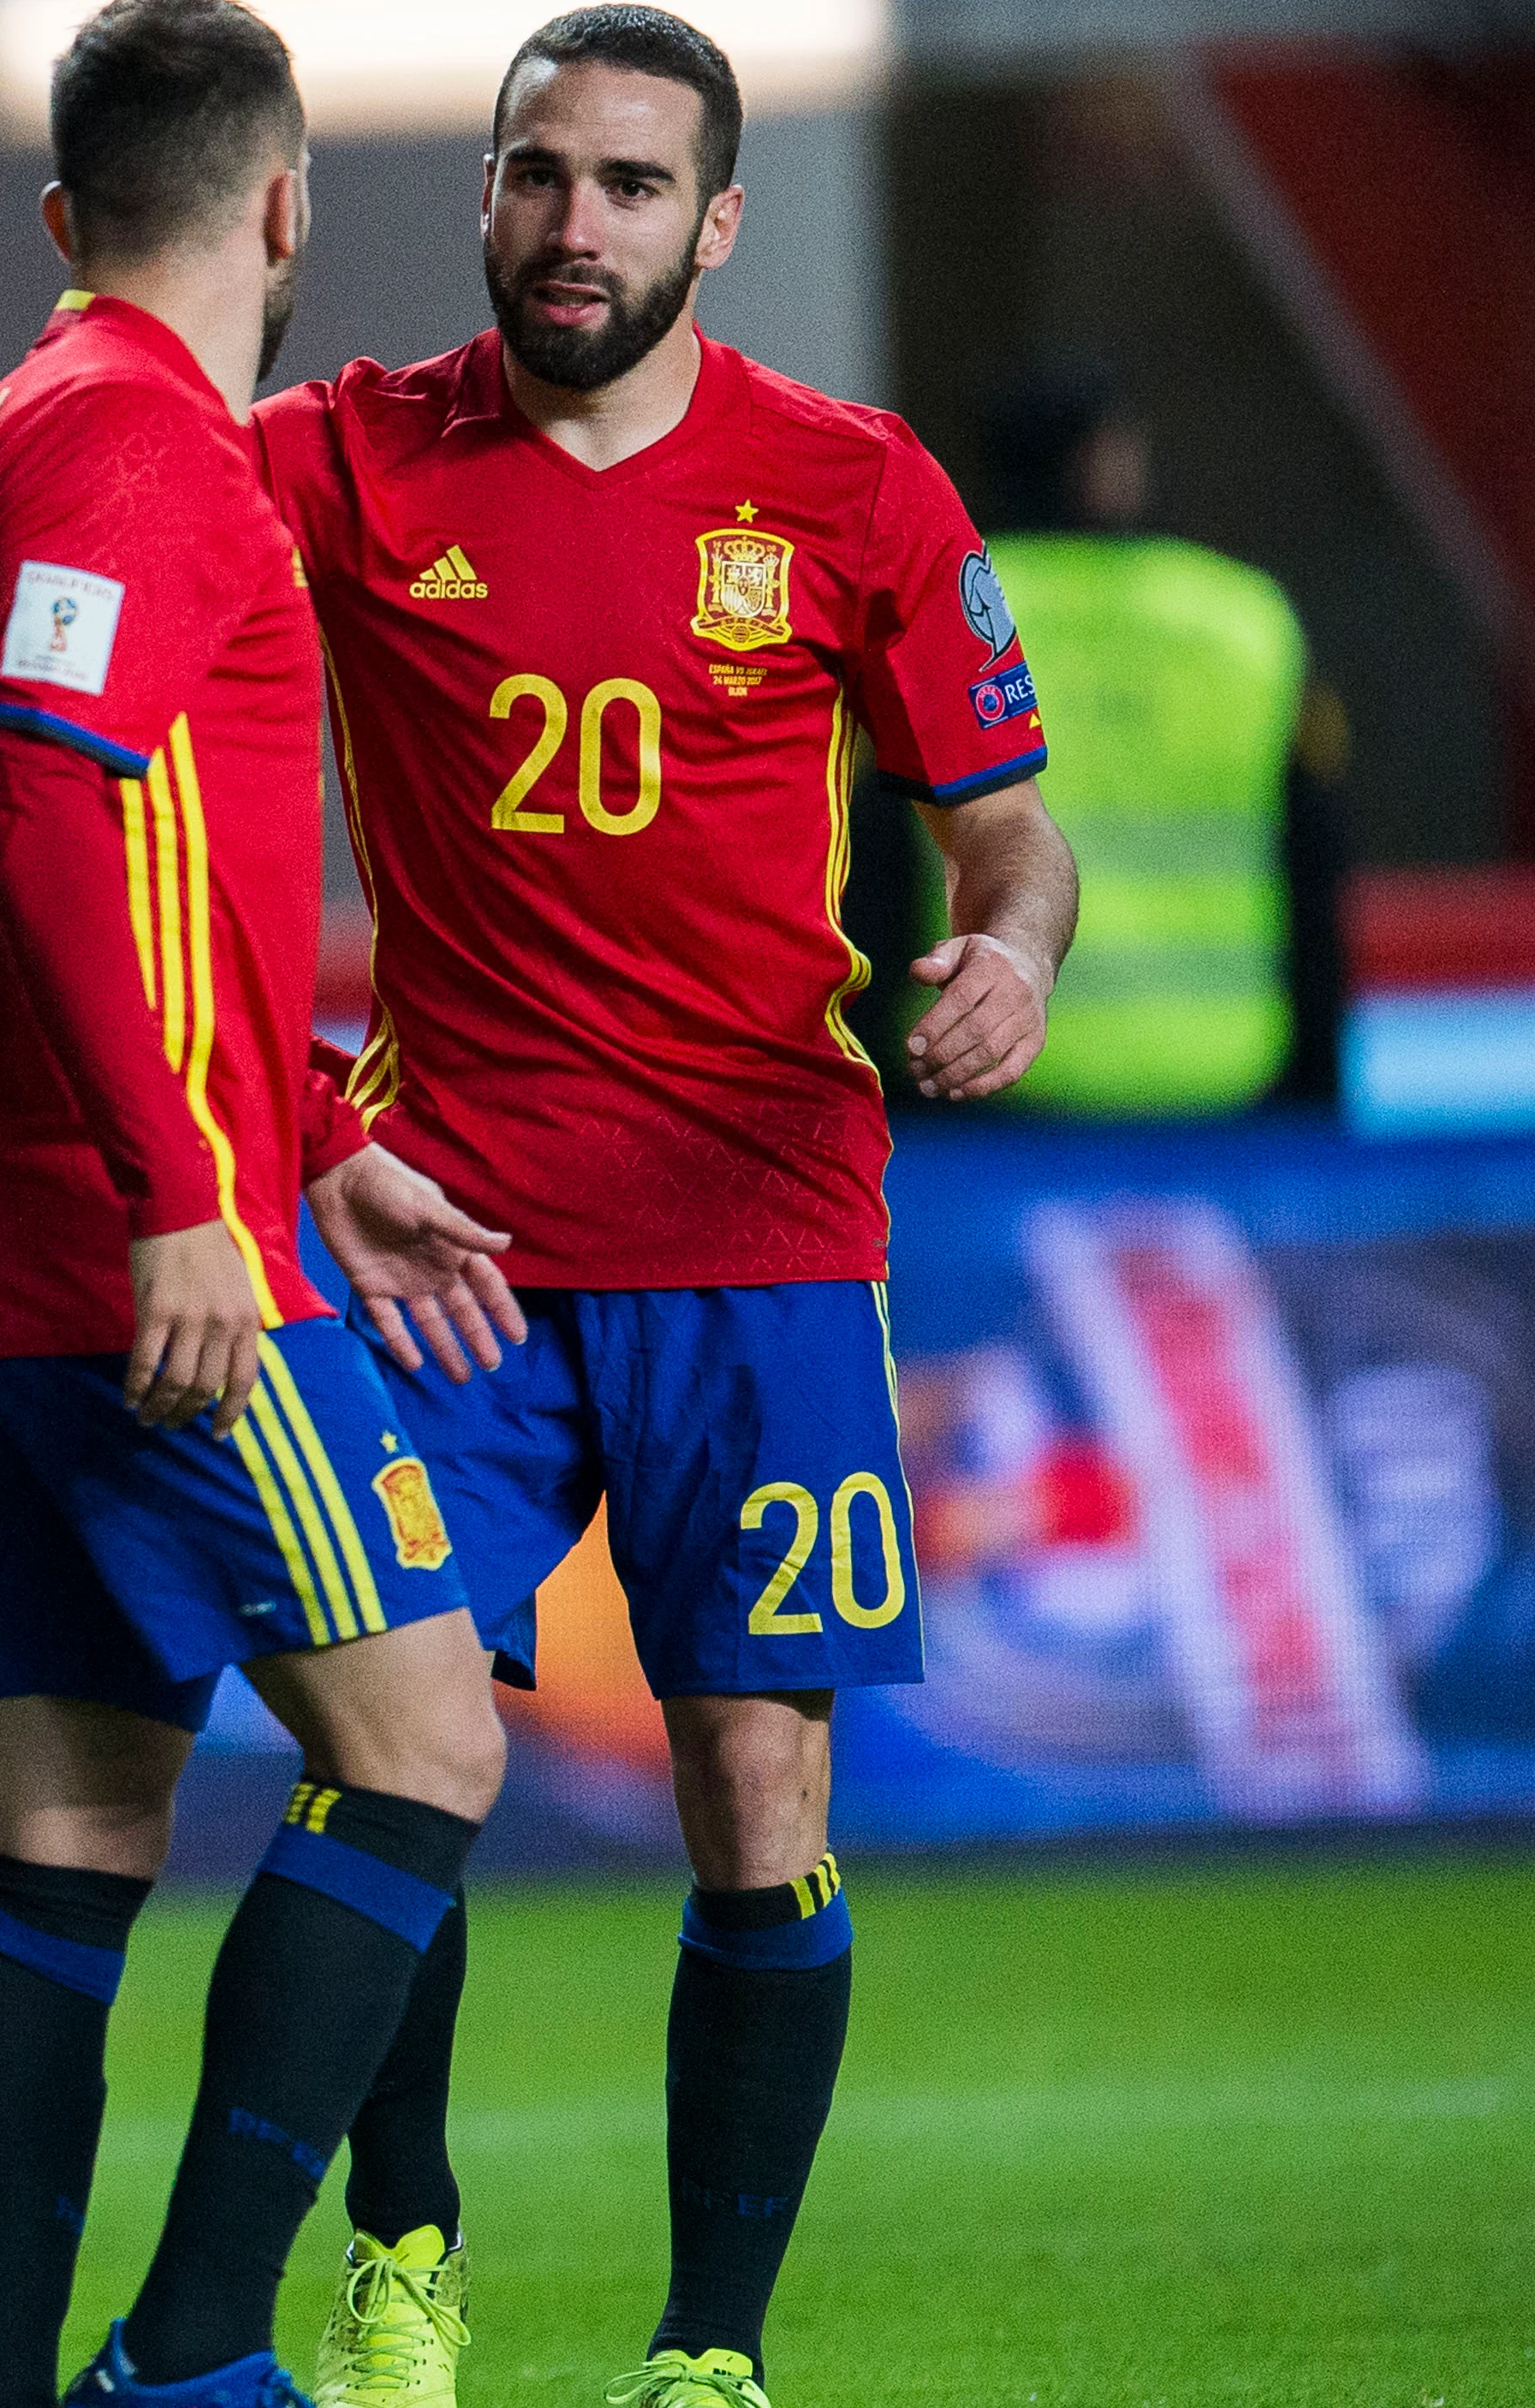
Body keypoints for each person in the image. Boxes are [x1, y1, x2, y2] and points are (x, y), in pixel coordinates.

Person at [253, 10, 1079, 2404]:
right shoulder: (345, 453)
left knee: (761, 1777)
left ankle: (707, 2350)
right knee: (389, 1748)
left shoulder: (852, 489)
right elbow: (63, 542)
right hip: (449, 1243)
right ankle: (402, 2244)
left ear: (717, 222)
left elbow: (1009, 823)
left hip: (763, 1232)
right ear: (490, 195)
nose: (574, 224)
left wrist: (1007, 948)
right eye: (539, 175)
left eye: (629, 185)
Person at [0, 5, 532, 2403]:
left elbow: (128, 852)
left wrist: (299, 1138)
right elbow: (55, 808)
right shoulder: (141, 448)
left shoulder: (35, 435)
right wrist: (195, 1193)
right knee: (431, 1742)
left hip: (55, 1233)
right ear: (284, 208)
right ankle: (183, 2356)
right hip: (140, 1260)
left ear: (64, 218)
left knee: (71, 1821)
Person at [934, 360, 1332, 1115]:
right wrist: (1318, 1112)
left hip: (993, 1090)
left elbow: (864, 873)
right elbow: (1315, 873)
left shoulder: (940, 613)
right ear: (1100, 461)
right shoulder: (1245, 624)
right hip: (1225, 1089)